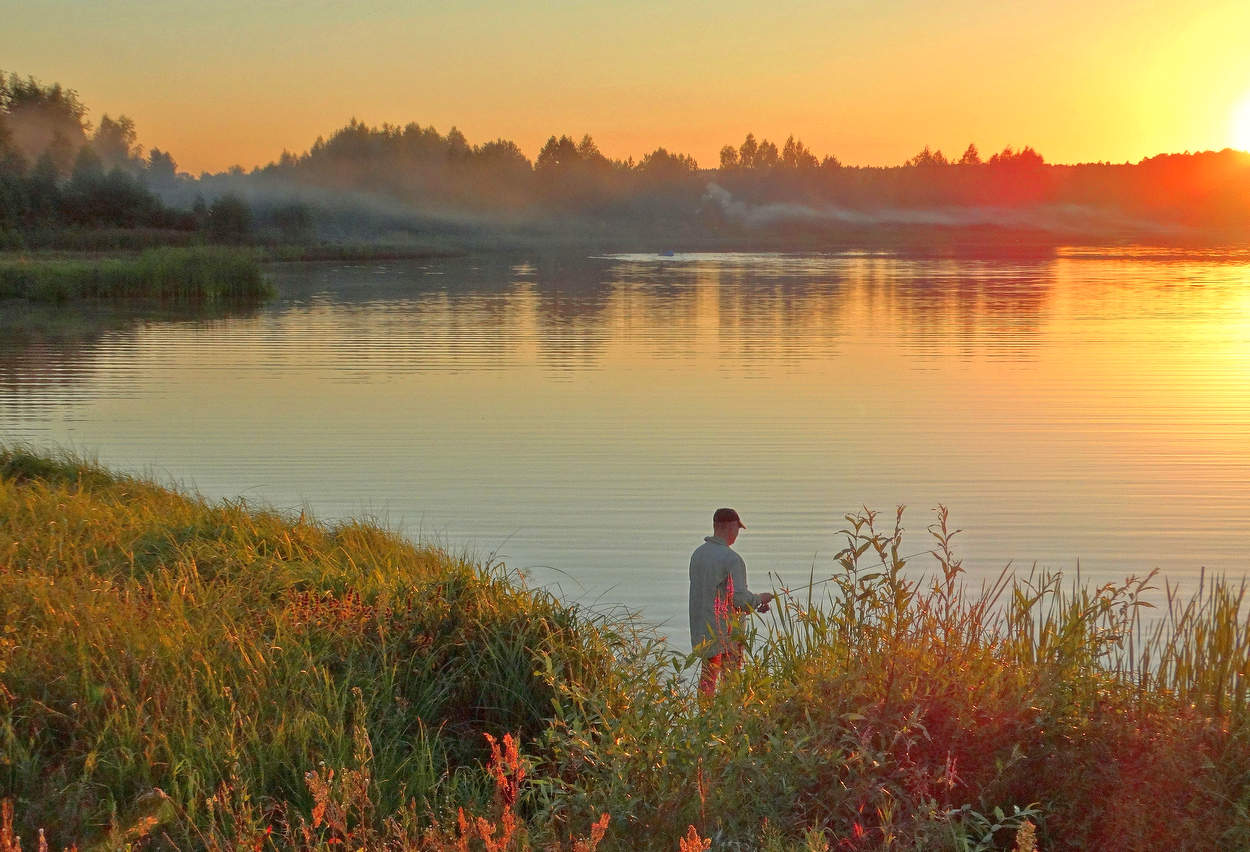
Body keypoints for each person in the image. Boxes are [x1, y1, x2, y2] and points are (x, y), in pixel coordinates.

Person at [688, 507, 773, 697]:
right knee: (731, 678)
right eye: (737, 529)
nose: (737, 534)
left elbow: (714, 592)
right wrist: (760, 599)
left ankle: (704, 716)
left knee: (707, 677)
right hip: (726, 632)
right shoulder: (732, 559)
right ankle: (730, 715)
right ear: (731, 527)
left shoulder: (698, 554)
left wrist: (754, 604)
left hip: (702, 628)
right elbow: (740, 600)